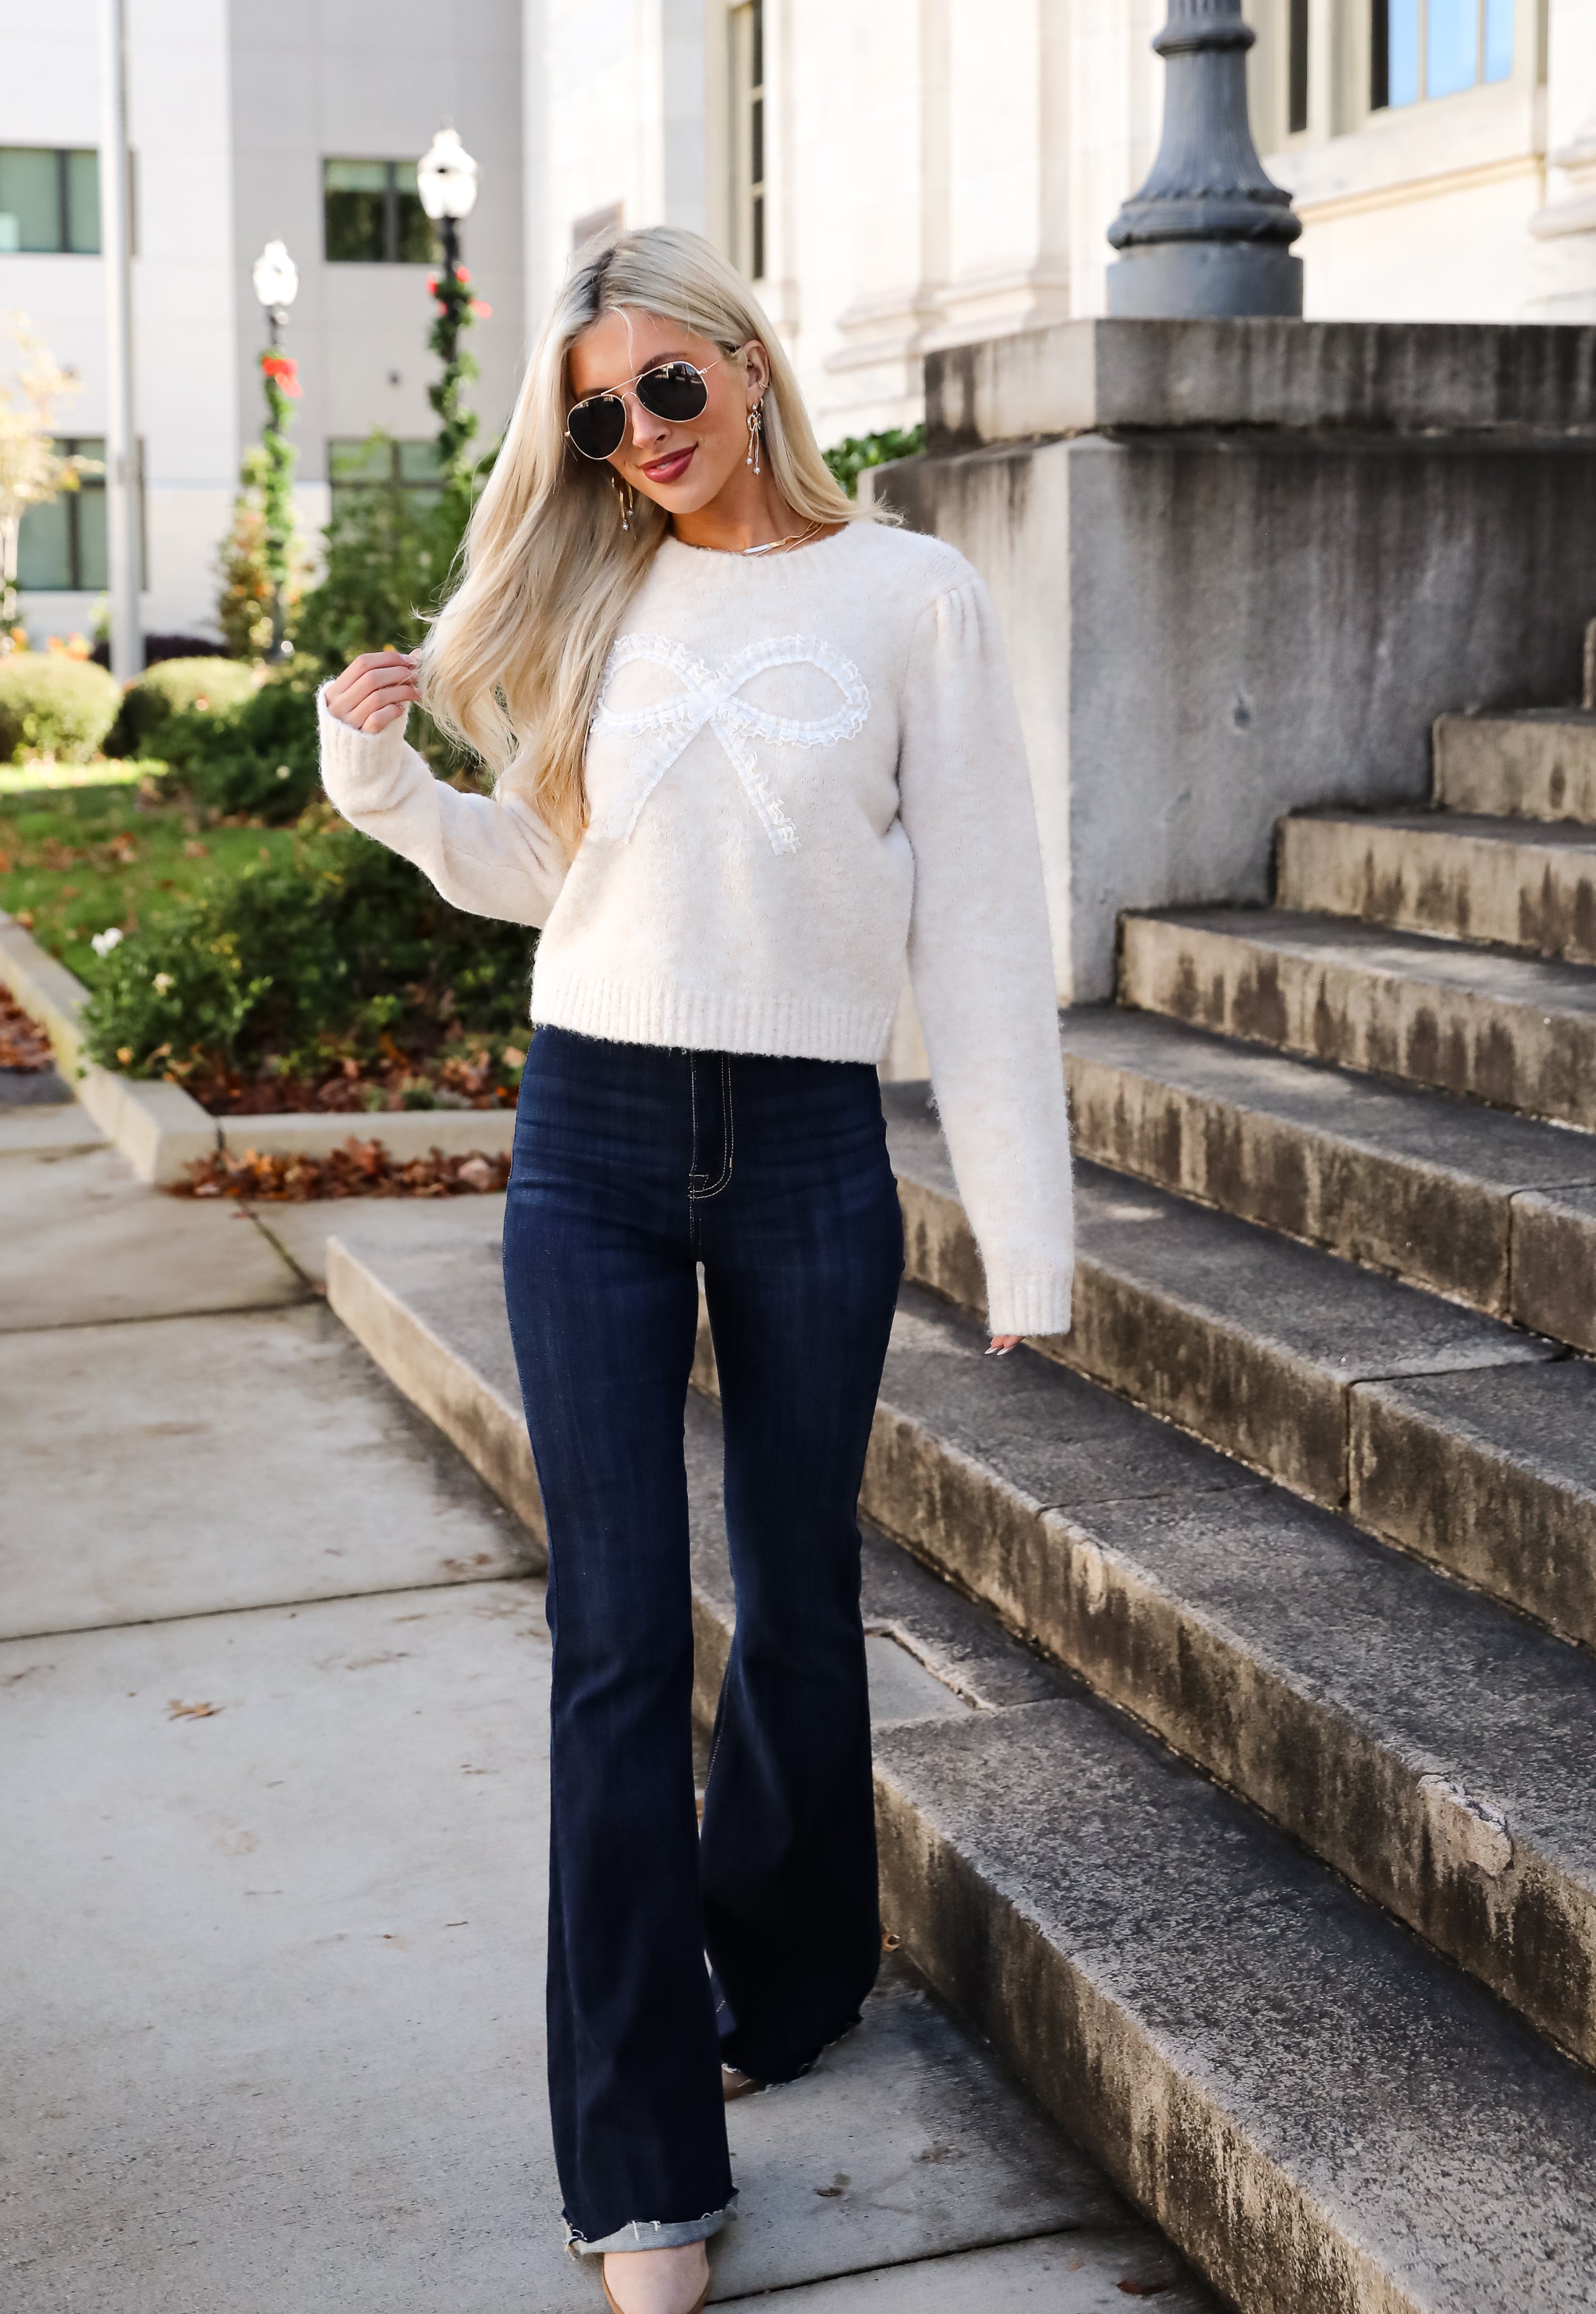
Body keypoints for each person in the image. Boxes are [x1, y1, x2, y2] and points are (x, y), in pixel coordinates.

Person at [319, 226, 1073, 2314]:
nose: (632, 436)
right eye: (594, 410)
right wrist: (382, 783)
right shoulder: (600, 589)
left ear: (748, 371)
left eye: (664, 389)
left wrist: (1028, 1230)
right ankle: (640, 2167)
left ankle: (798, 1969)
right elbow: (546, 873)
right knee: (619, 1644)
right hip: (595, 1139)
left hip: (812, 1149)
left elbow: (987, 932)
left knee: (805, 1598)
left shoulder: (911, 595)